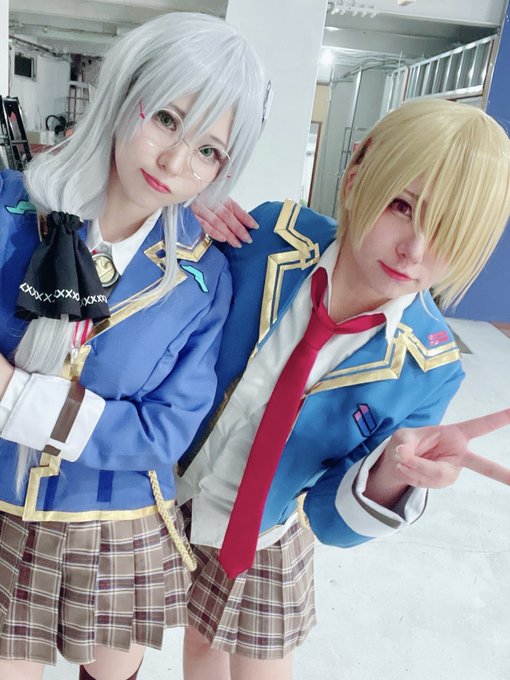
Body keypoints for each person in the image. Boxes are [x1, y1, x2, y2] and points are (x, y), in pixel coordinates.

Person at [176, 98, 510, 680]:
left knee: (259, 663)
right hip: (163, 488)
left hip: (265, 528)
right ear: (356, 176)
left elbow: (331, 519)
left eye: (450, 230)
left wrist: (394, 475)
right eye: (403, 206)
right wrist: (180, 215)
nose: (415, 250)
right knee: (199, 643)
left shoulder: (429, 368)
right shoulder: (269, 236)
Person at [0, 12, 266, 680]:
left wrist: (16, 396)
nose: (175, 163)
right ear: (124, 93)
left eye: (208, 151)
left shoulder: (202, 278)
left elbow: (166, 429)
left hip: (113, 517)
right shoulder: (10, 211)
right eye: (167, 119)